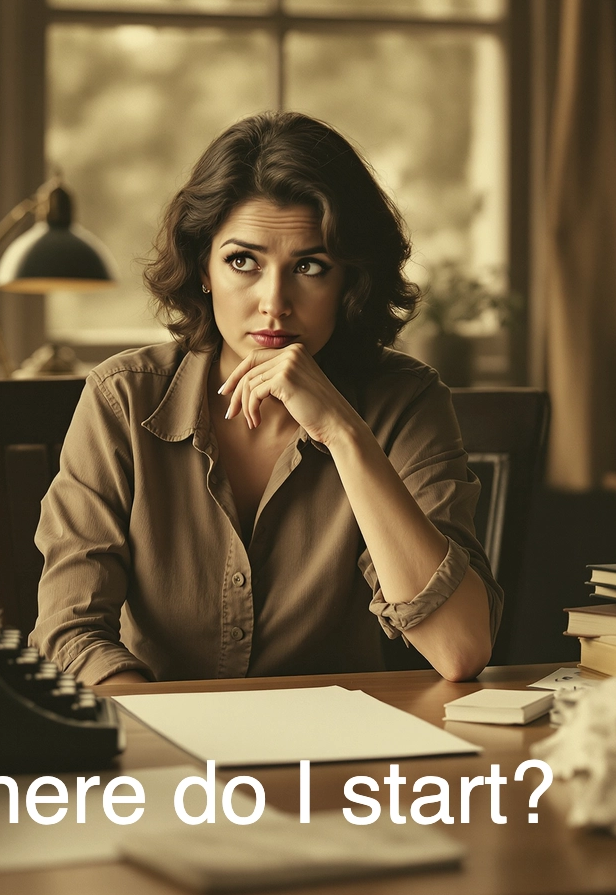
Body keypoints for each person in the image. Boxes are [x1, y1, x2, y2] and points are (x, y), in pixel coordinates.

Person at [32, 111, 502, 686]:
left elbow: (460, 649)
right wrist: (165, 743)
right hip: (164, 750)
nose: (275, 302)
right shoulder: (122, 401)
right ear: (203, 267)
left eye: (310, 266)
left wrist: (345, 435)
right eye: (243, 261)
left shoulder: (407, 402)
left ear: (349, 281)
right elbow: (70, 632)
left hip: (345, 756)